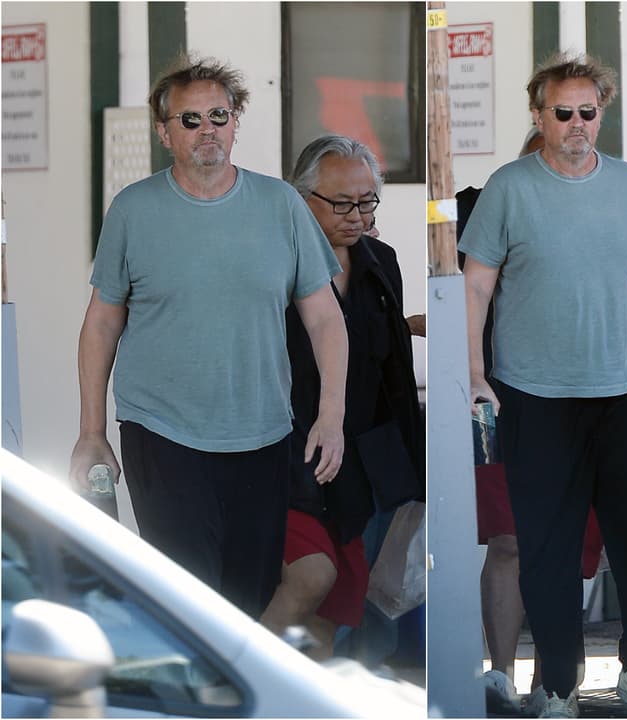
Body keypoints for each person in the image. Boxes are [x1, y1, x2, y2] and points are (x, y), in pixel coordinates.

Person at [69, 55, 347, 619]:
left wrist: (330, 416)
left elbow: (324, 318)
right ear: (164, 132)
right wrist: (91, 431)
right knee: (187, 595)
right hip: (162, 430)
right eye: (190, 120)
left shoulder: (280, 205)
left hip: (262, 433)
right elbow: (102, 321)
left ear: (237, 120)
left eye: (218, 116)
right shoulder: (134, 210)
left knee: (247, 595)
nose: (207, 131)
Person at [459, 52, 627, 719]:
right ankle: (557, 686)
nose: (577, 124)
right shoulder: (508, 188)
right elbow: (475, 284)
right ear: (539, 115)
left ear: (600, 114)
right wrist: (473, 374)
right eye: (563, 113)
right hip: (534, 397)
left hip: (626, 390)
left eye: (589, 112)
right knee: (546, 548)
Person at [259, 135, 424, 660]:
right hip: (288, 455)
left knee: (343, 607)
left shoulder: (381, 262)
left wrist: (414, 462)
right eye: (341, 203)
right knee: (311, 578)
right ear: (301, 197)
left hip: (366, 463)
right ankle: (232, 682)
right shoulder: (273, 262)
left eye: (367, 201)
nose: (356, 216)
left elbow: (394, 368)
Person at [461, 127, 608, 717]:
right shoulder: (489, 214)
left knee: (567, 545)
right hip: (505, 400)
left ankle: (557, 684)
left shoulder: (603, 210)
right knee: (508, 541)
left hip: (590, 400)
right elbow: (462, 290)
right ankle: (499, 674)